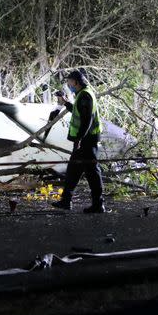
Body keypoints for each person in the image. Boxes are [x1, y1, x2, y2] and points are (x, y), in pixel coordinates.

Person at [51, 69, 105, 213]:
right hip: (84, 140)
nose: (68, 85)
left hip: (87, 140)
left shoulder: (85, 96)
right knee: (74, 170)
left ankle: (98, 204)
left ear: (75, 82)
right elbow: (78, 111)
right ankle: (66, 201)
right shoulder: (82, 94)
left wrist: (79, 139)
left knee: (92, 172)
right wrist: (65, 102)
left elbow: (87, 120)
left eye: (69, 82)